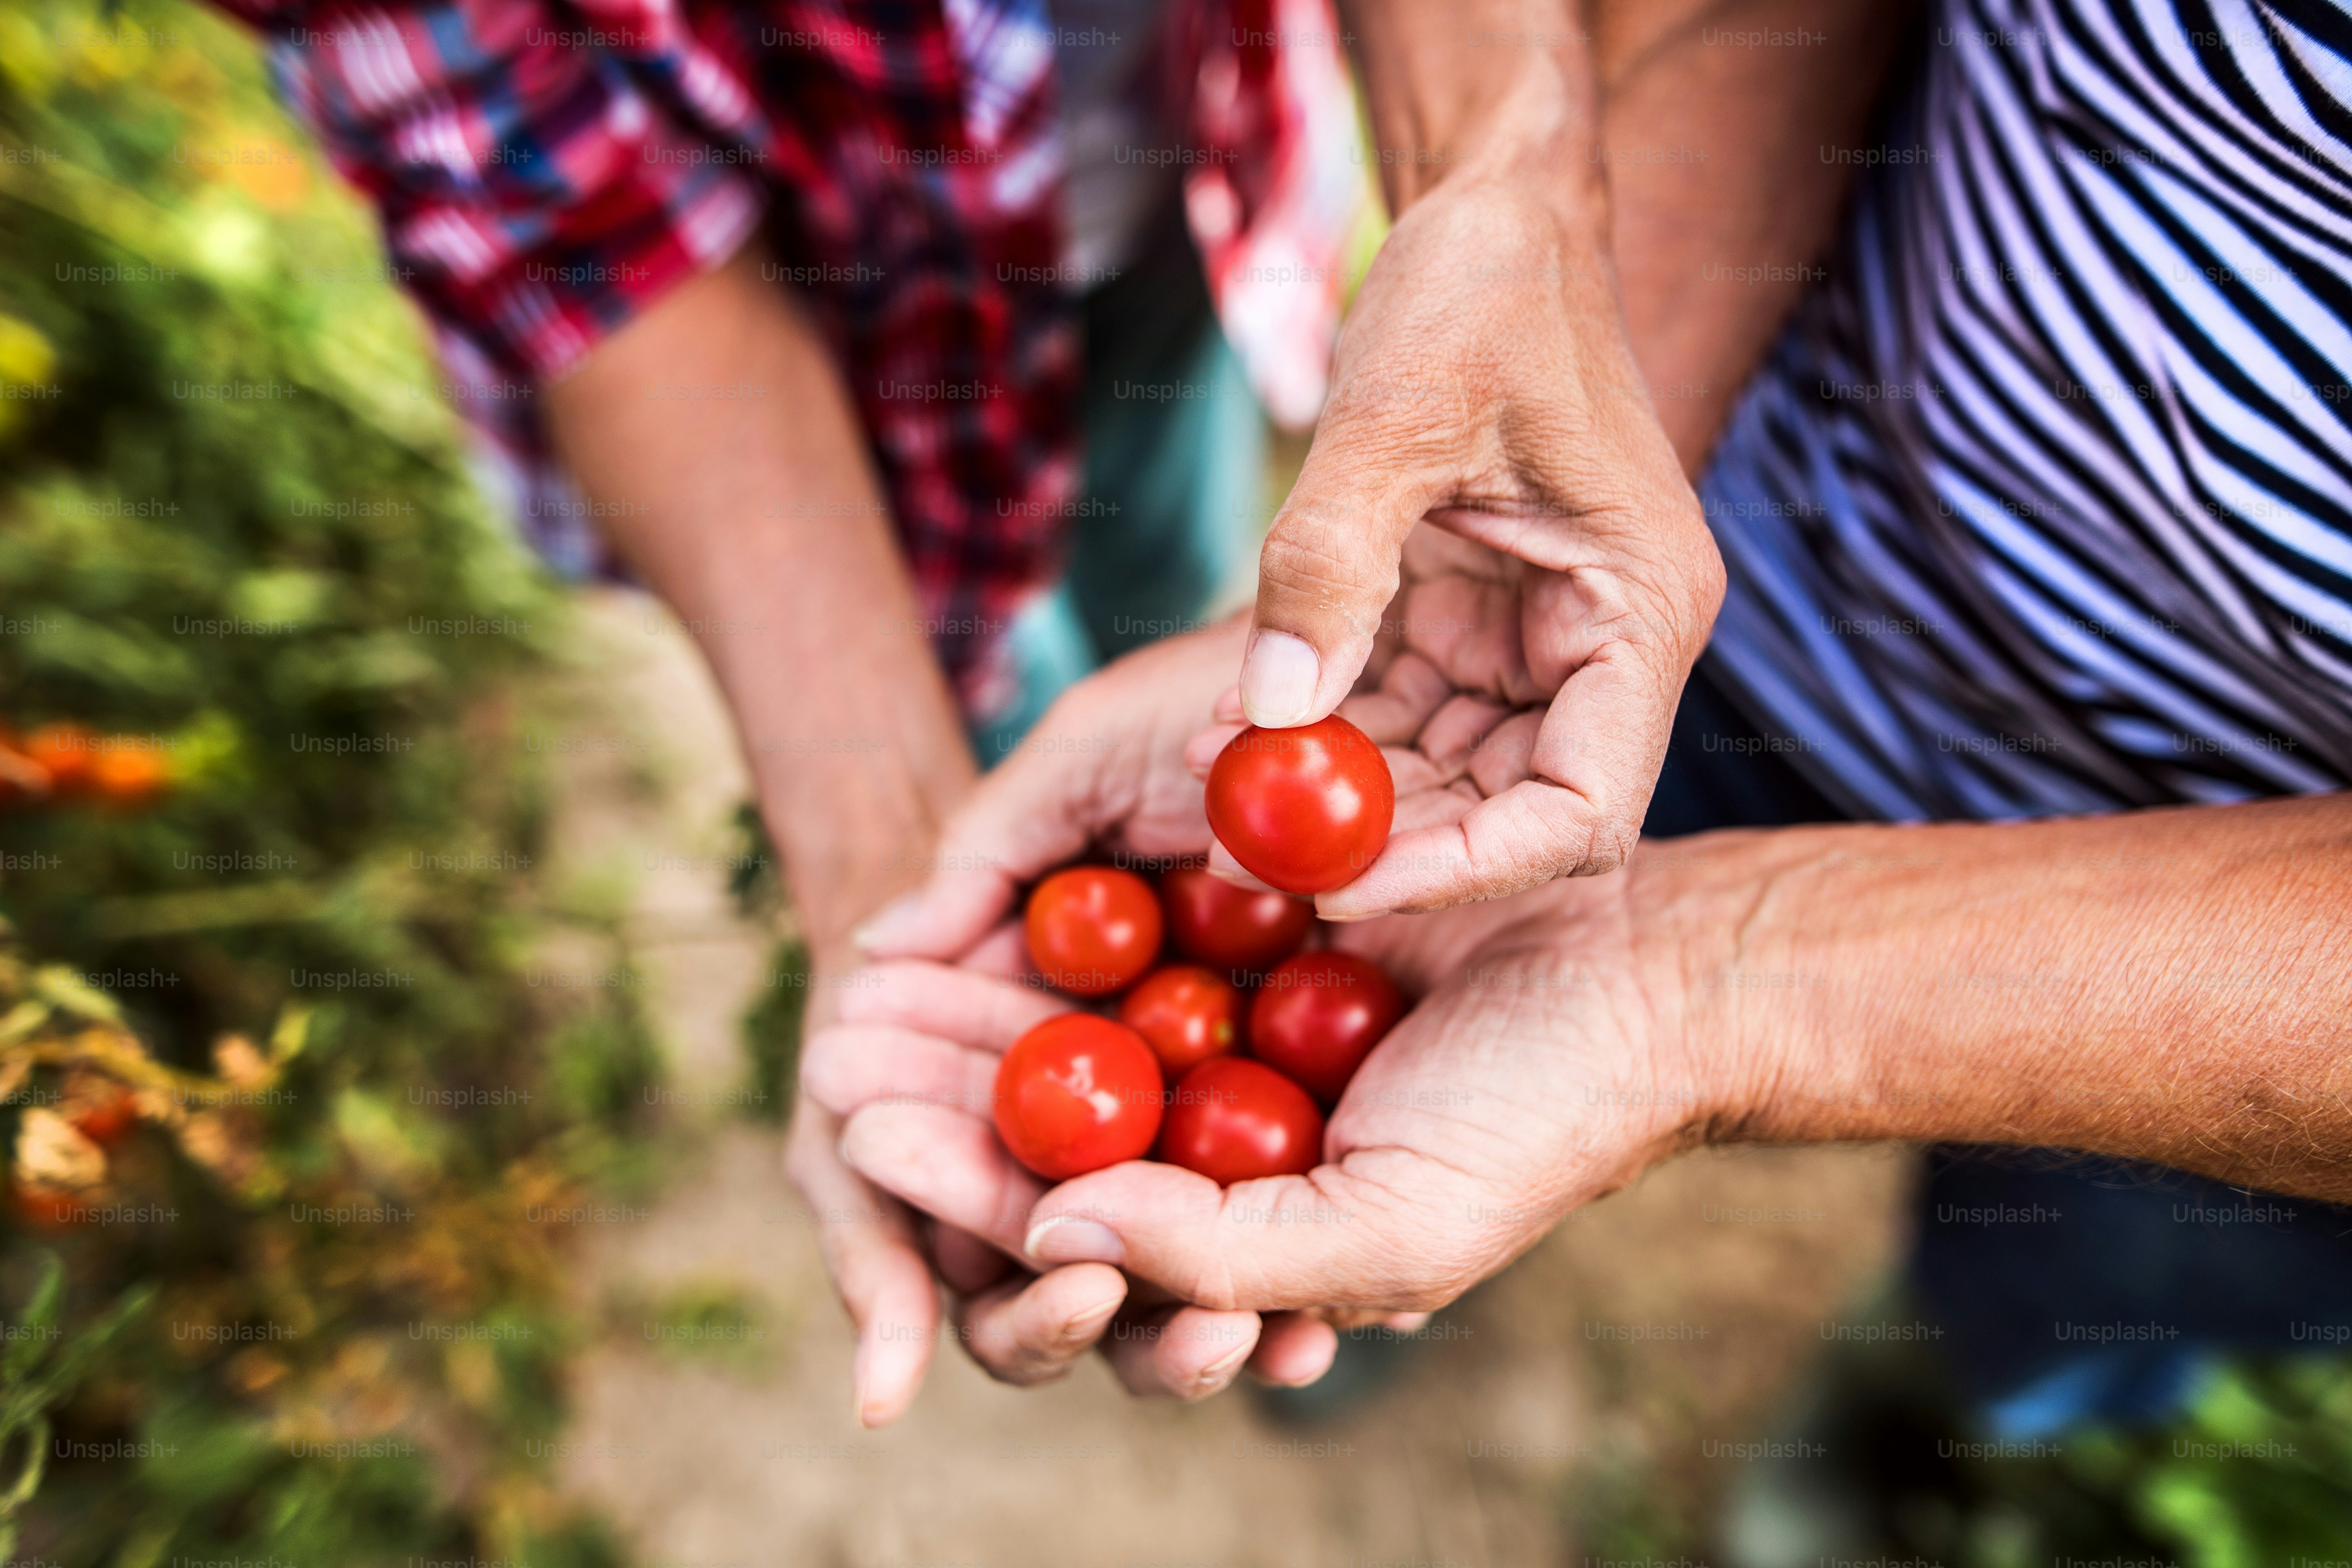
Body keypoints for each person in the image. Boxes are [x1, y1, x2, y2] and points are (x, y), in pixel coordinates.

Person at [801, 0, 2352, 1460]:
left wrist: (1702, 988)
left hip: (2259, 971)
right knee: (1461, 1003)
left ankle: (1949, 1413)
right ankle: (1409, 1230)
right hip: (1685, 596)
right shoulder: (1517, 685)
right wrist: (1553, 362)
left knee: (2121, 1247)